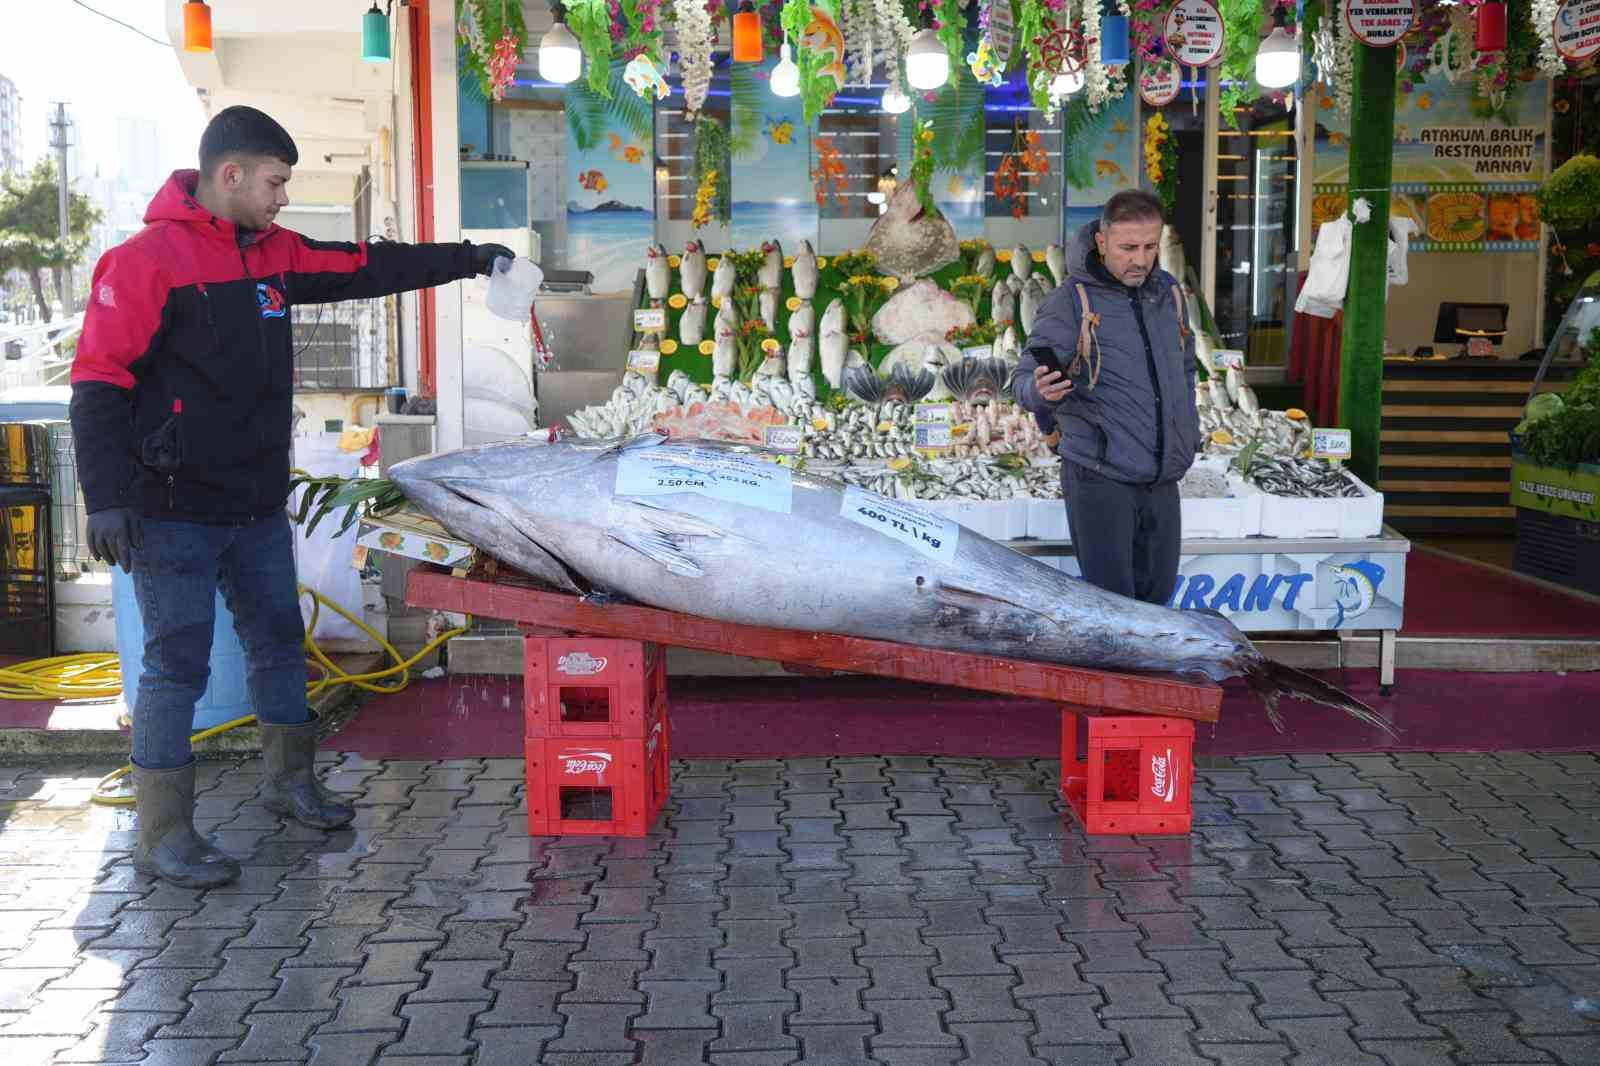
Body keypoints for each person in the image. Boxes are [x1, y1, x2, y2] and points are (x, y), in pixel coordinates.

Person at [69, 106, 514, 887]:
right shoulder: (144, 261)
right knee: (176, 668)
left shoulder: (276, 255)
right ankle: (163, 833)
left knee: (279, 641)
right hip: (169, 509)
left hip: (255, 504)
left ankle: (290, 784)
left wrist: (469, 258)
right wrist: (105, 497)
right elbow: (98, 384)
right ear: (230, 174)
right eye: (275, 182)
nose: (282, 198)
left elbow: (370, 267)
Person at [1011, 190, 1200, 607]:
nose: (1140, 259)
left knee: (1157, 600)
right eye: (1128, 247)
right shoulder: (1070, 302)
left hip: (1163, 477)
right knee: (1113, 607)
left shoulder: (1168, 294)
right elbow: (1022, 377)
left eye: (1150, 247)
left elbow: (1186, 369)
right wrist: (1036, 390)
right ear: (1101, 241)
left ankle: (1149, 675)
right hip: (1101, 476)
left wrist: (1189, 433)